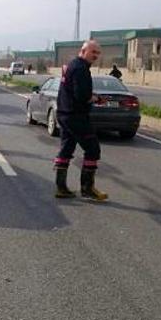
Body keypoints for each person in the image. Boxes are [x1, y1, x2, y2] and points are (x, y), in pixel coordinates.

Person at [53, 40, 108, 201]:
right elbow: (82, 96)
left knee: (66, 149)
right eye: (93, 52)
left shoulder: (72, 65)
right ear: (83, 51)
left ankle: (61, 188)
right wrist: (96, 98)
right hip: (76, 116)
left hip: (64, 114)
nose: (96, 56)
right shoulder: (80, 68)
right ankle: (87, 188)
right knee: (92, 150)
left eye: (98, 53)